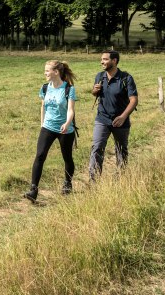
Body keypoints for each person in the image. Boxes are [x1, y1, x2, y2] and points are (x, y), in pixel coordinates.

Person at [24, 60, 77, 203]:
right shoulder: (45, 87)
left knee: (67, 157)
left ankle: (67, 183)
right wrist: (42, 124)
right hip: (48, 127)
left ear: (56, 72)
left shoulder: (68, 89)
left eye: (47, 71)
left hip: (65, 129)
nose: (45, 73)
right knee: (40, 156)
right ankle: (33, 190)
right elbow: (43, 106)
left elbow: (71, 110)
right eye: (45, 71)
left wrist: (67, 123)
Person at [89, 50, 138, 181]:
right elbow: (95, 93)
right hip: (102, 118)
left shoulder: (126, 78)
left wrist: (123, 117)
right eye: (101, 59)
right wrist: (94, 91)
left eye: (105, 59)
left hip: (121, 121)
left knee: (121, 150)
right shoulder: (100, 76)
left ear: (114, 61)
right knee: (97, 147)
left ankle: (121, 178)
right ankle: (94, 181)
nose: (101, 62)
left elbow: (134, 100)